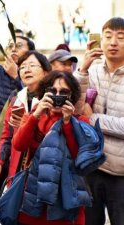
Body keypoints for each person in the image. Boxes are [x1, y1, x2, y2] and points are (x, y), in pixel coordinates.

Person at [12, 71, 99, 225]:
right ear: (44, 93)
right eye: (52, 91)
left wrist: (67, 123)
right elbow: (19, 145)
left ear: (71, 96)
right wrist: (35, 115)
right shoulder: (34, 115)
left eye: (63, 92)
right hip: (35, 192)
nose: (57, 95)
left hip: (66, 195)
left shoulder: (80, 122)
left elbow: (80, 158)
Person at [74, 17, 124, 225]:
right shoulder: (91, 72)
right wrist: (82, 71)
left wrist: (92, 117)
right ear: (100, 41)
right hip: (91, 167)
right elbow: (76, 112)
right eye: (108, 36)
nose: (113, 42)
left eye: (121, 37)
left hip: (121, 173)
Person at [0, 51, 51, 193]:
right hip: (17, 169)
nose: (27, 69)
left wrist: (26, 124)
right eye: (23, 66)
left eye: (32, 65)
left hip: (43, 169)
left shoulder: (51, 100)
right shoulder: (16, 100)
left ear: (45, 72)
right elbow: (6, 136)